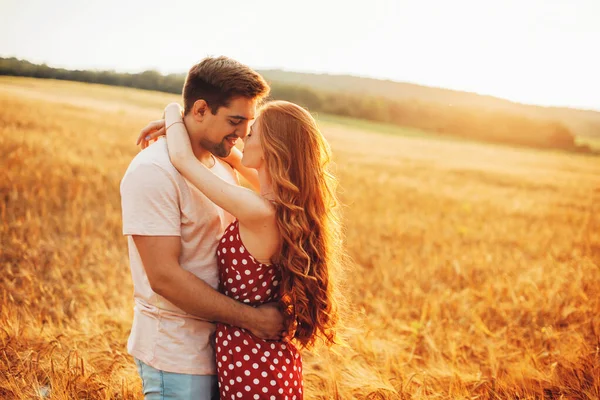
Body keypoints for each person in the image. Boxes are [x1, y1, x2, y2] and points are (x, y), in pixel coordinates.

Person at [138, 98, 343, 399]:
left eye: (252, 133)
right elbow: (235, 159)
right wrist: (195, 131)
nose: (242, 137)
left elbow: (183, 161)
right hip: (268, 362)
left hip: (252, 364)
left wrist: (174, 113)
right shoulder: (288, 206)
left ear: (272, 147)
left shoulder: (258, 211)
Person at [120, 56, 287, 400]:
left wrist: (172, 117)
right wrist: (252, 319)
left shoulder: (223, 163)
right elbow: (164, 277)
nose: (242, 134)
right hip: (177, 352)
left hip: (228, 352)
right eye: (235, 120)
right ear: (199, 110)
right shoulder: (153, 171)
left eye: (247, 123)